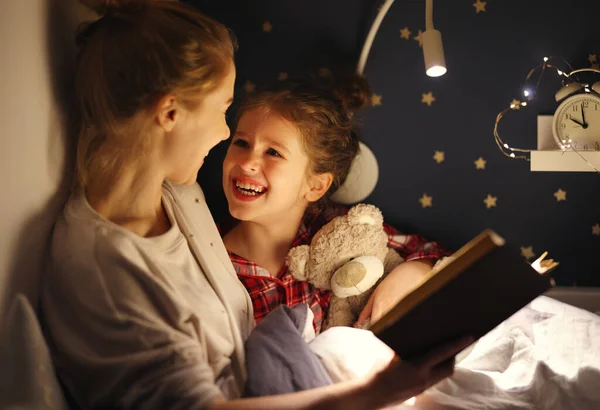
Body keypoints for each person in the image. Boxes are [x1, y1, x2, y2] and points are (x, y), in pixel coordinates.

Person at [41, 1, 472, 409]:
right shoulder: (107, 272)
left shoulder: (179, 196)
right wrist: (379, 391)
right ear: (169, 114)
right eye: (224, 111)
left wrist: (410, 275)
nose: (222, 135)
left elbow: (430, 254)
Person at [220, 77, 448, 334]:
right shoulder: (204, 257)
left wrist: (409, 274)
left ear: (315, 186)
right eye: (241, 143)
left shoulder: (336, 230)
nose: (247, 162)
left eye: (273, 152)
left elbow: (436, 253)